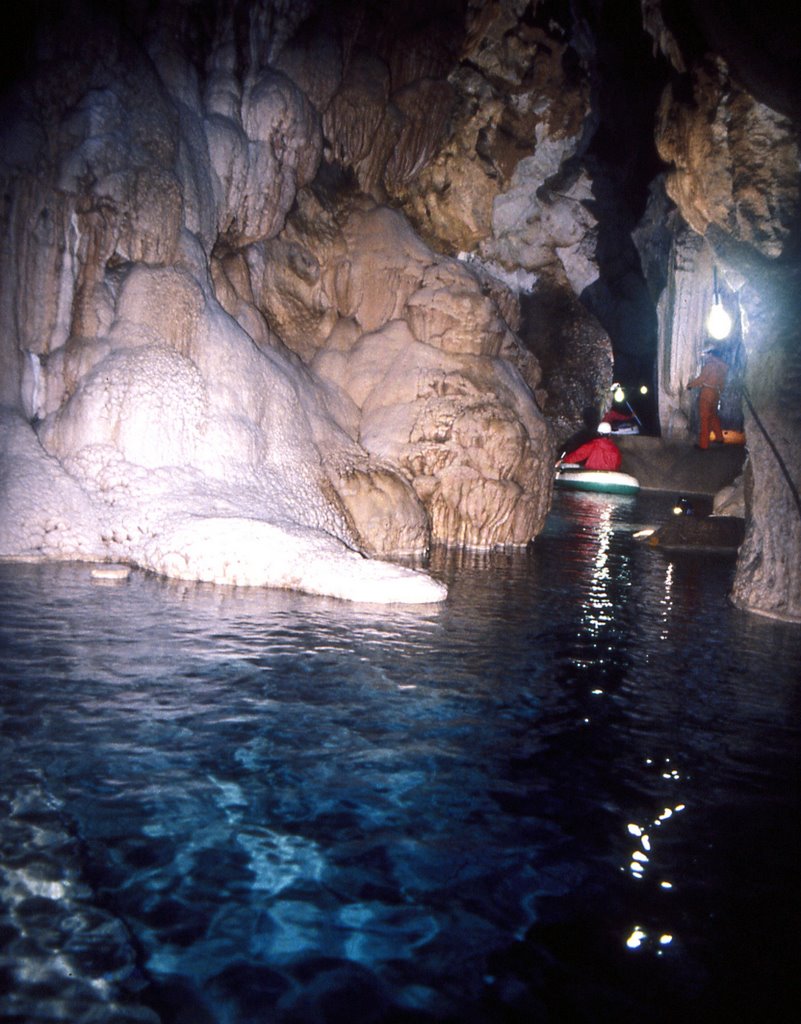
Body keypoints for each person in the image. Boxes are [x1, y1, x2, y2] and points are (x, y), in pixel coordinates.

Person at [687, 347, 729, 449]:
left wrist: (690, 385)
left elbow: (702, 378)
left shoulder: (710, 365)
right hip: (716, 393)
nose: (706, 356)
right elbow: (722, 383)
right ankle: (719, 437)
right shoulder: (722, 367)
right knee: (713, 416)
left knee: (704, 418)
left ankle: (703, 444)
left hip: (707, 393)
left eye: (707, 354)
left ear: (711, 355)